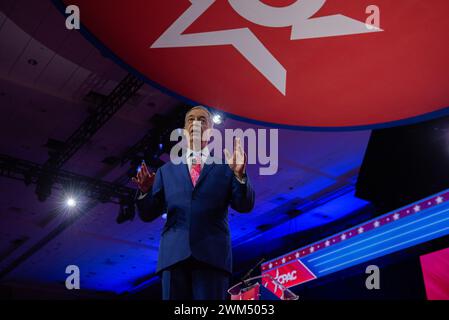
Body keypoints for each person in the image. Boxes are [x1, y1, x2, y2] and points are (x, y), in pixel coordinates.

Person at [132, 106, 255, 300]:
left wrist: (240, 175)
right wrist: (145, 192)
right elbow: (147, 214)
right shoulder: (166, 171)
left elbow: (245, 205)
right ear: (183, 128)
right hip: (173, 258)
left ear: (211, 130)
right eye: (190, 119)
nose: (195, 123)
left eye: (202, 120)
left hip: (212, 257)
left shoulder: (226, 167)